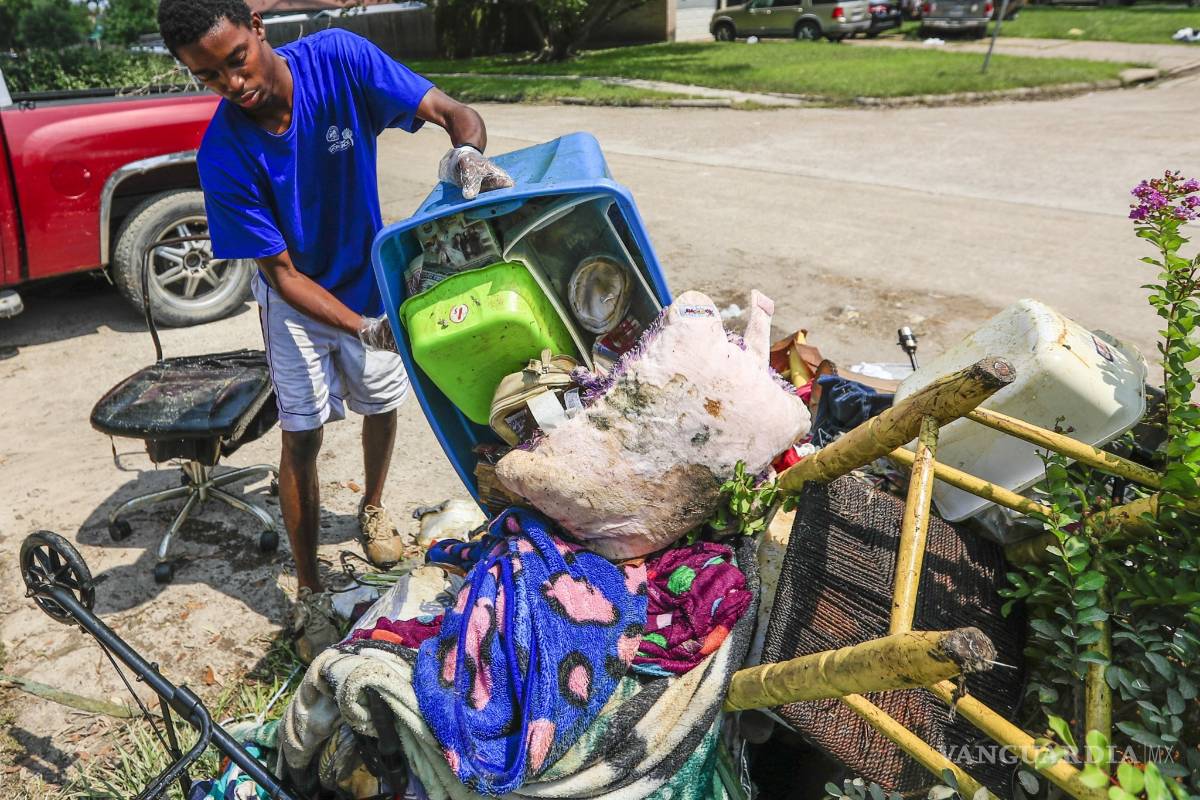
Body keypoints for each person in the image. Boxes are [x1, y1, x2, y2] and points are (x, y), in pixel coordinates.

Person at [157, 0, 514, 662]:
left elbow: (450, 111)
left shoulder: (339, 60)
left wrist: (465, 154)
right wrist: (364, 328)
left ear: (258, 31)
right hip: (296, 305)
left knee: (381, 403)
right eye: (208, 77)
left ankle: (372, 508)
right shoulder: (224, 155)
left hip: (367, 276)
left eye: (237, 59)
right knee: (303, 434)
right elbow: (284, 275)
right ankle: (313, 586)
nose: (233, 84)